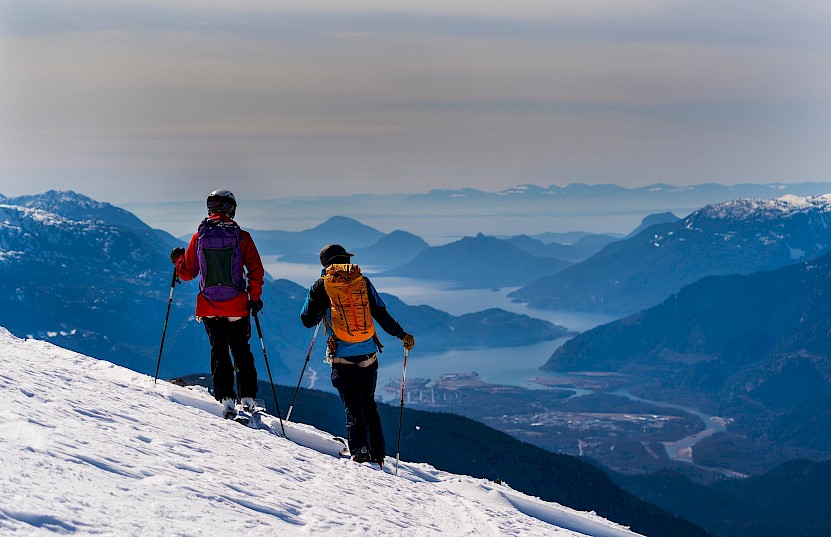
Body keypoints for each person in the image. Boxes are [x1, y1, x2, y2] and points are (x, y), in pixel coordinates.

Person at [300, 244, 415, 466]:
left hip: (342, 356)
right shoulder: (362, 282)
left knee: (353, 406)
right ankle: (378, 454)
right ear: (346, 259)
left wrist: (322, 308)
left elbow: (307, 320)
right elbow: (381, 313)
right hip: (368, 354)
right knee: (369, 404)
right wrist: (402, 335)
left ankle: (360, 452)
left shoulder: (322, 285)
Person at [169, 189, 265, 419]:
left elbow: (188, 273)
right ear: (232, 209)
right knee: (242, 350)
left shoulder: (199, 236)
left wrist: (177, 259)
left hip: (209, 307)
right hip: (237, 306)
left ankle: (227, 400)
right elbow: (256, 271)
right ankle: (248, 399)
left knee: (219, 351)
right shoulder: (242, 237)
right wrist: (255, 298)